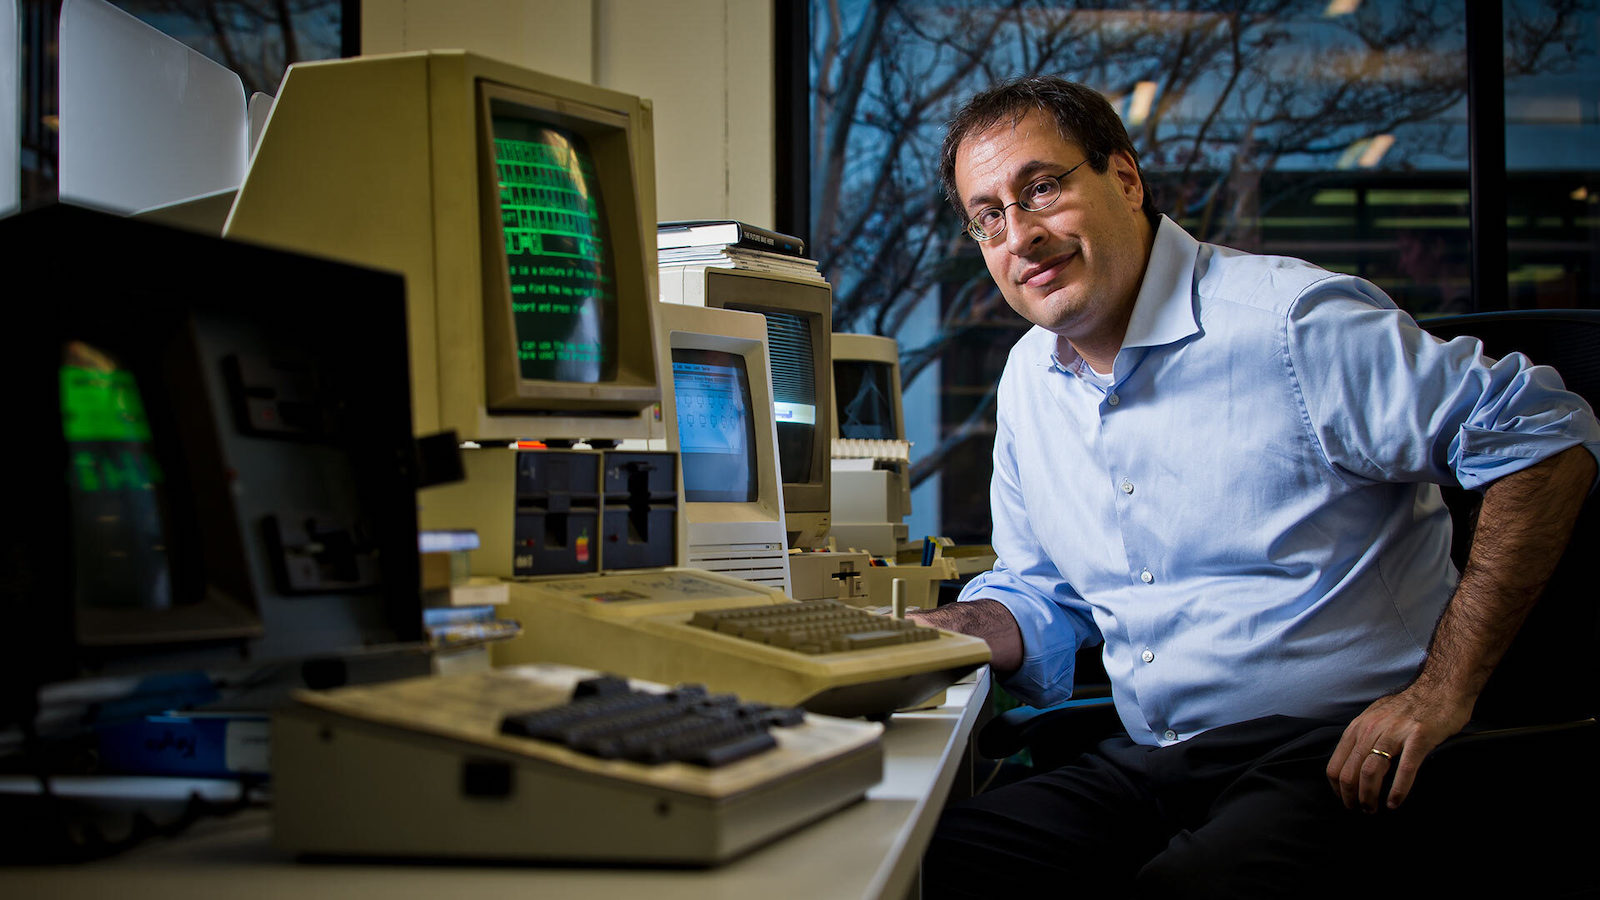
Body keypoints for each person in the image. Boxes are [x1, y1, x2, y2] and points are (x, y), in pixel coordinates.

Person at [910, 74, 1600, 897]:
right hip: (1160, 762)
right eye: (989, 216)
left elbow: (1544, 432)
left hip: (1338, 755)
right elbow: (1044, 593)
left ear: (1125, 181)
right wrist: (922, 634)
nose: (1019, 236)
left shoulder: (1289, 323)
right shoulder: (1030, 377)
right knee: (928, 859)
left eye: (1043, 188)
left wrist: (1441, 691)